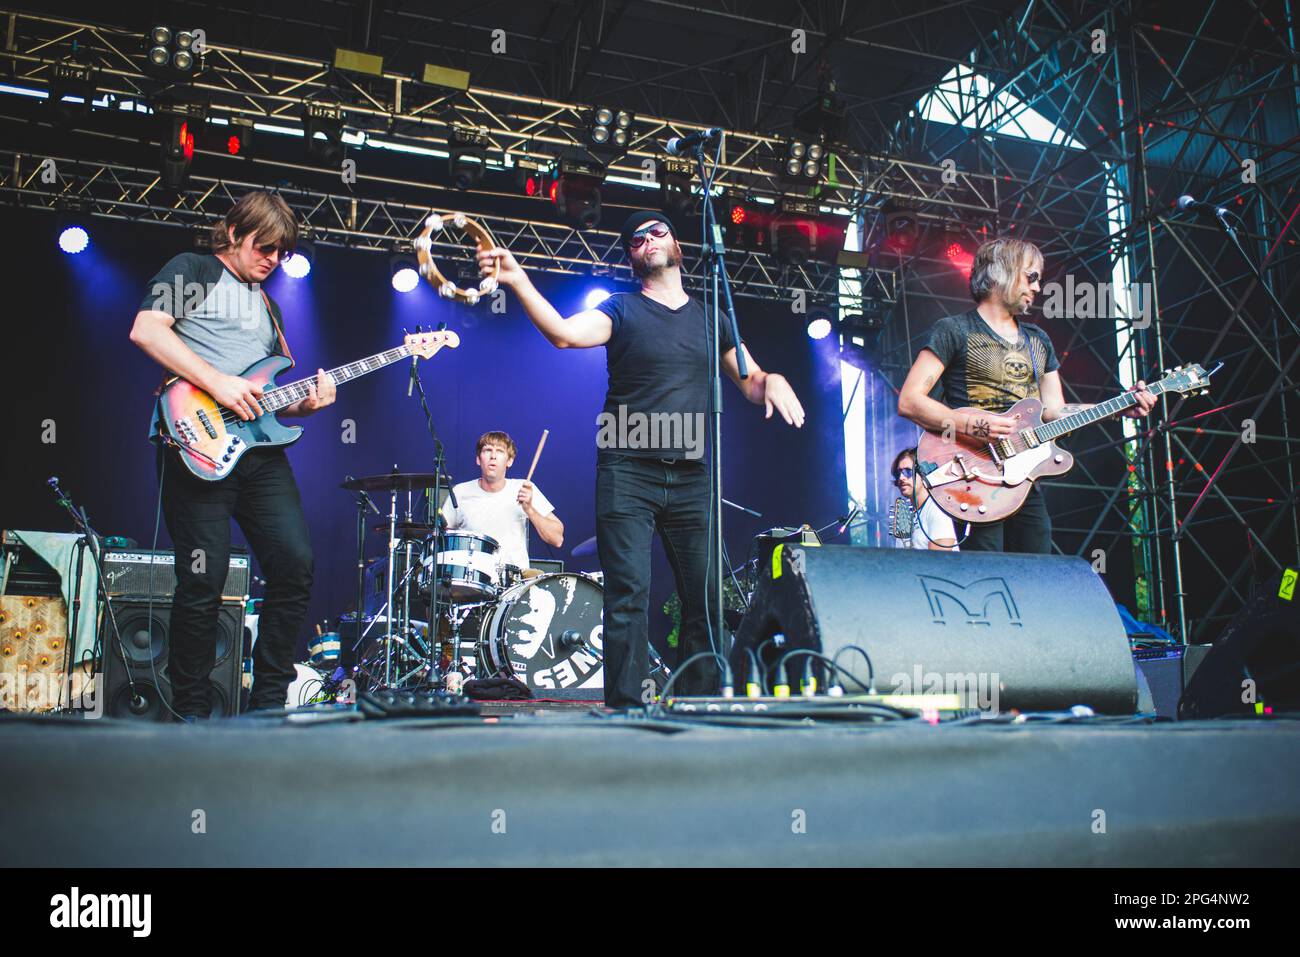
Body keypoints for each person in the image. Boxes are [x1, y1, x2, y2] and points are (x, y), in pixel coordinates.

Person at [476, 210, 805, 708]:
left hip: (693, 474)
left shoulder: (710, 317)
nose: (649, 239)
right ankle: (626, 713)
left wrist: (772, 379)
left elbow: (751, 379)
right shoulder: (621, 309)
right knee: (627, 595)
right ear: (631, 256)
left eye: (658, 231)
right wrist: (518, 278)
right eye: (637, 238)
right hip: (627, 470)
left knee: (706, 599)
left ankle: (699, 709)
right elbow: (564, 333)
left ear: (677, 245)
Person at [129, 191, 335, 719]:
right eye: (263, 246)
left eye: (281, 253)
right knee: (204, 577)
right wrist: (217, 383)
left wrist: (308, 403)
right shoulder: (193, 268)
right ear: (235, 232)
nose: (271, 259)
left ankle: (267, 705)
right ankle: (192, 711)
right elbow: (146, 330)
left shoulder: (271, 306)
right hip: (195, 442)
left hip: (259, 454)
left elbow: (266, 401)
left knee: (295, 565)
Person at [897, 236, 1156, 553]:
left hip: (1022, 478)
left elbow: (1053, 412)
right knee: (987, 572)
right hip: (974, 472)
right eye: (1030, 277)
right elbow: (910, 401)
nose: (1037, 288)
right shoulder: (953, 330)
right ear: (1000, 273)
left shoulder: (1039, 340)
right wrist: (973, 425)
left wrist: (1118, 407)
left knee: (1038, 575)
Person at [440, 430, 564, 571]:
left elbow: (557, 539)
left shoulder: (523, 488)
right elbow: (444, 541)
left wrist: (530, 509)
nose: (493, 456)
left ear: (509, 461)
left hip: (514, 582)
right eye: (487, 450)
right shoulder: (460, 492)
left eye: (499, 451)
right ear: (478, 459)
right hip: (471, 577)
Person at [891, 447, 957, 550]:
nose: (901, 478)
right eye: (898, 473)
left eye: (908, 472)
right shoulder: (905, 516)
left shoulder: (937, 508)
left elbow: (941, 561)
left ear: (923, 473)